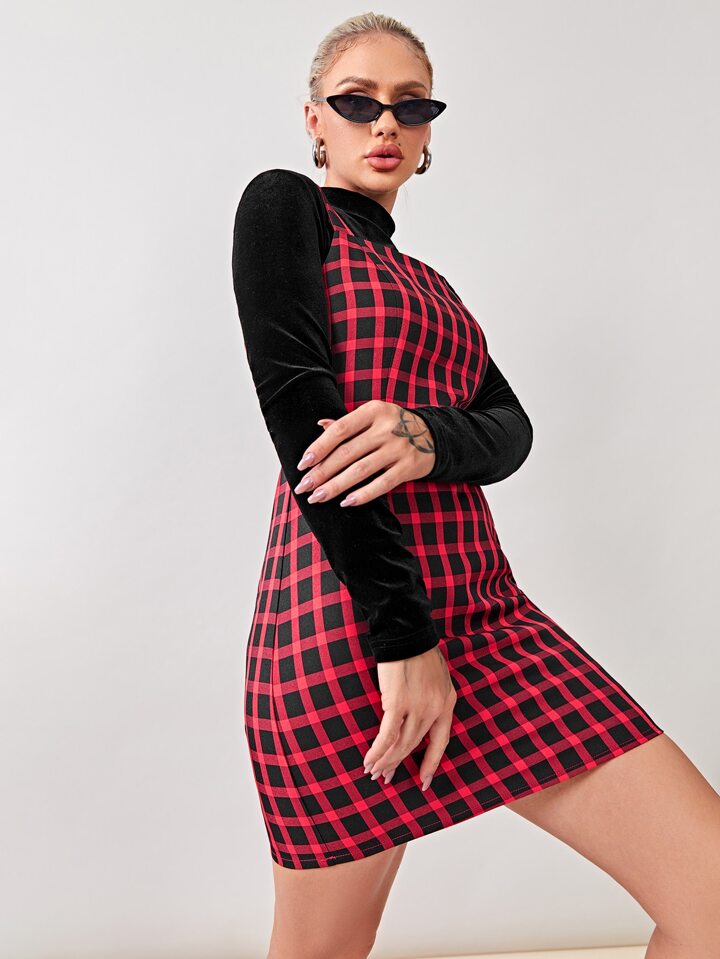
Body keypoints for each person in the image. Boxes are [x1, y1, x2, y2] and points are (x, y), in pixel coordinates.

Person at [231, 14, 720, 959]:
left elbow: (509, 430)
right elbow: (302, 421)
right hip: (352, 629)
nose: (386, 122)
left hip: (490, 615)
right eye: (357, 102)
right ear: (314, 119)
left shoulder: (433, 287)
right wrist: (403, 637)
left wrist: (426, 436)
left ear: (428, 131)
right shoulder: (285, 207)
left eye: (410, 105)